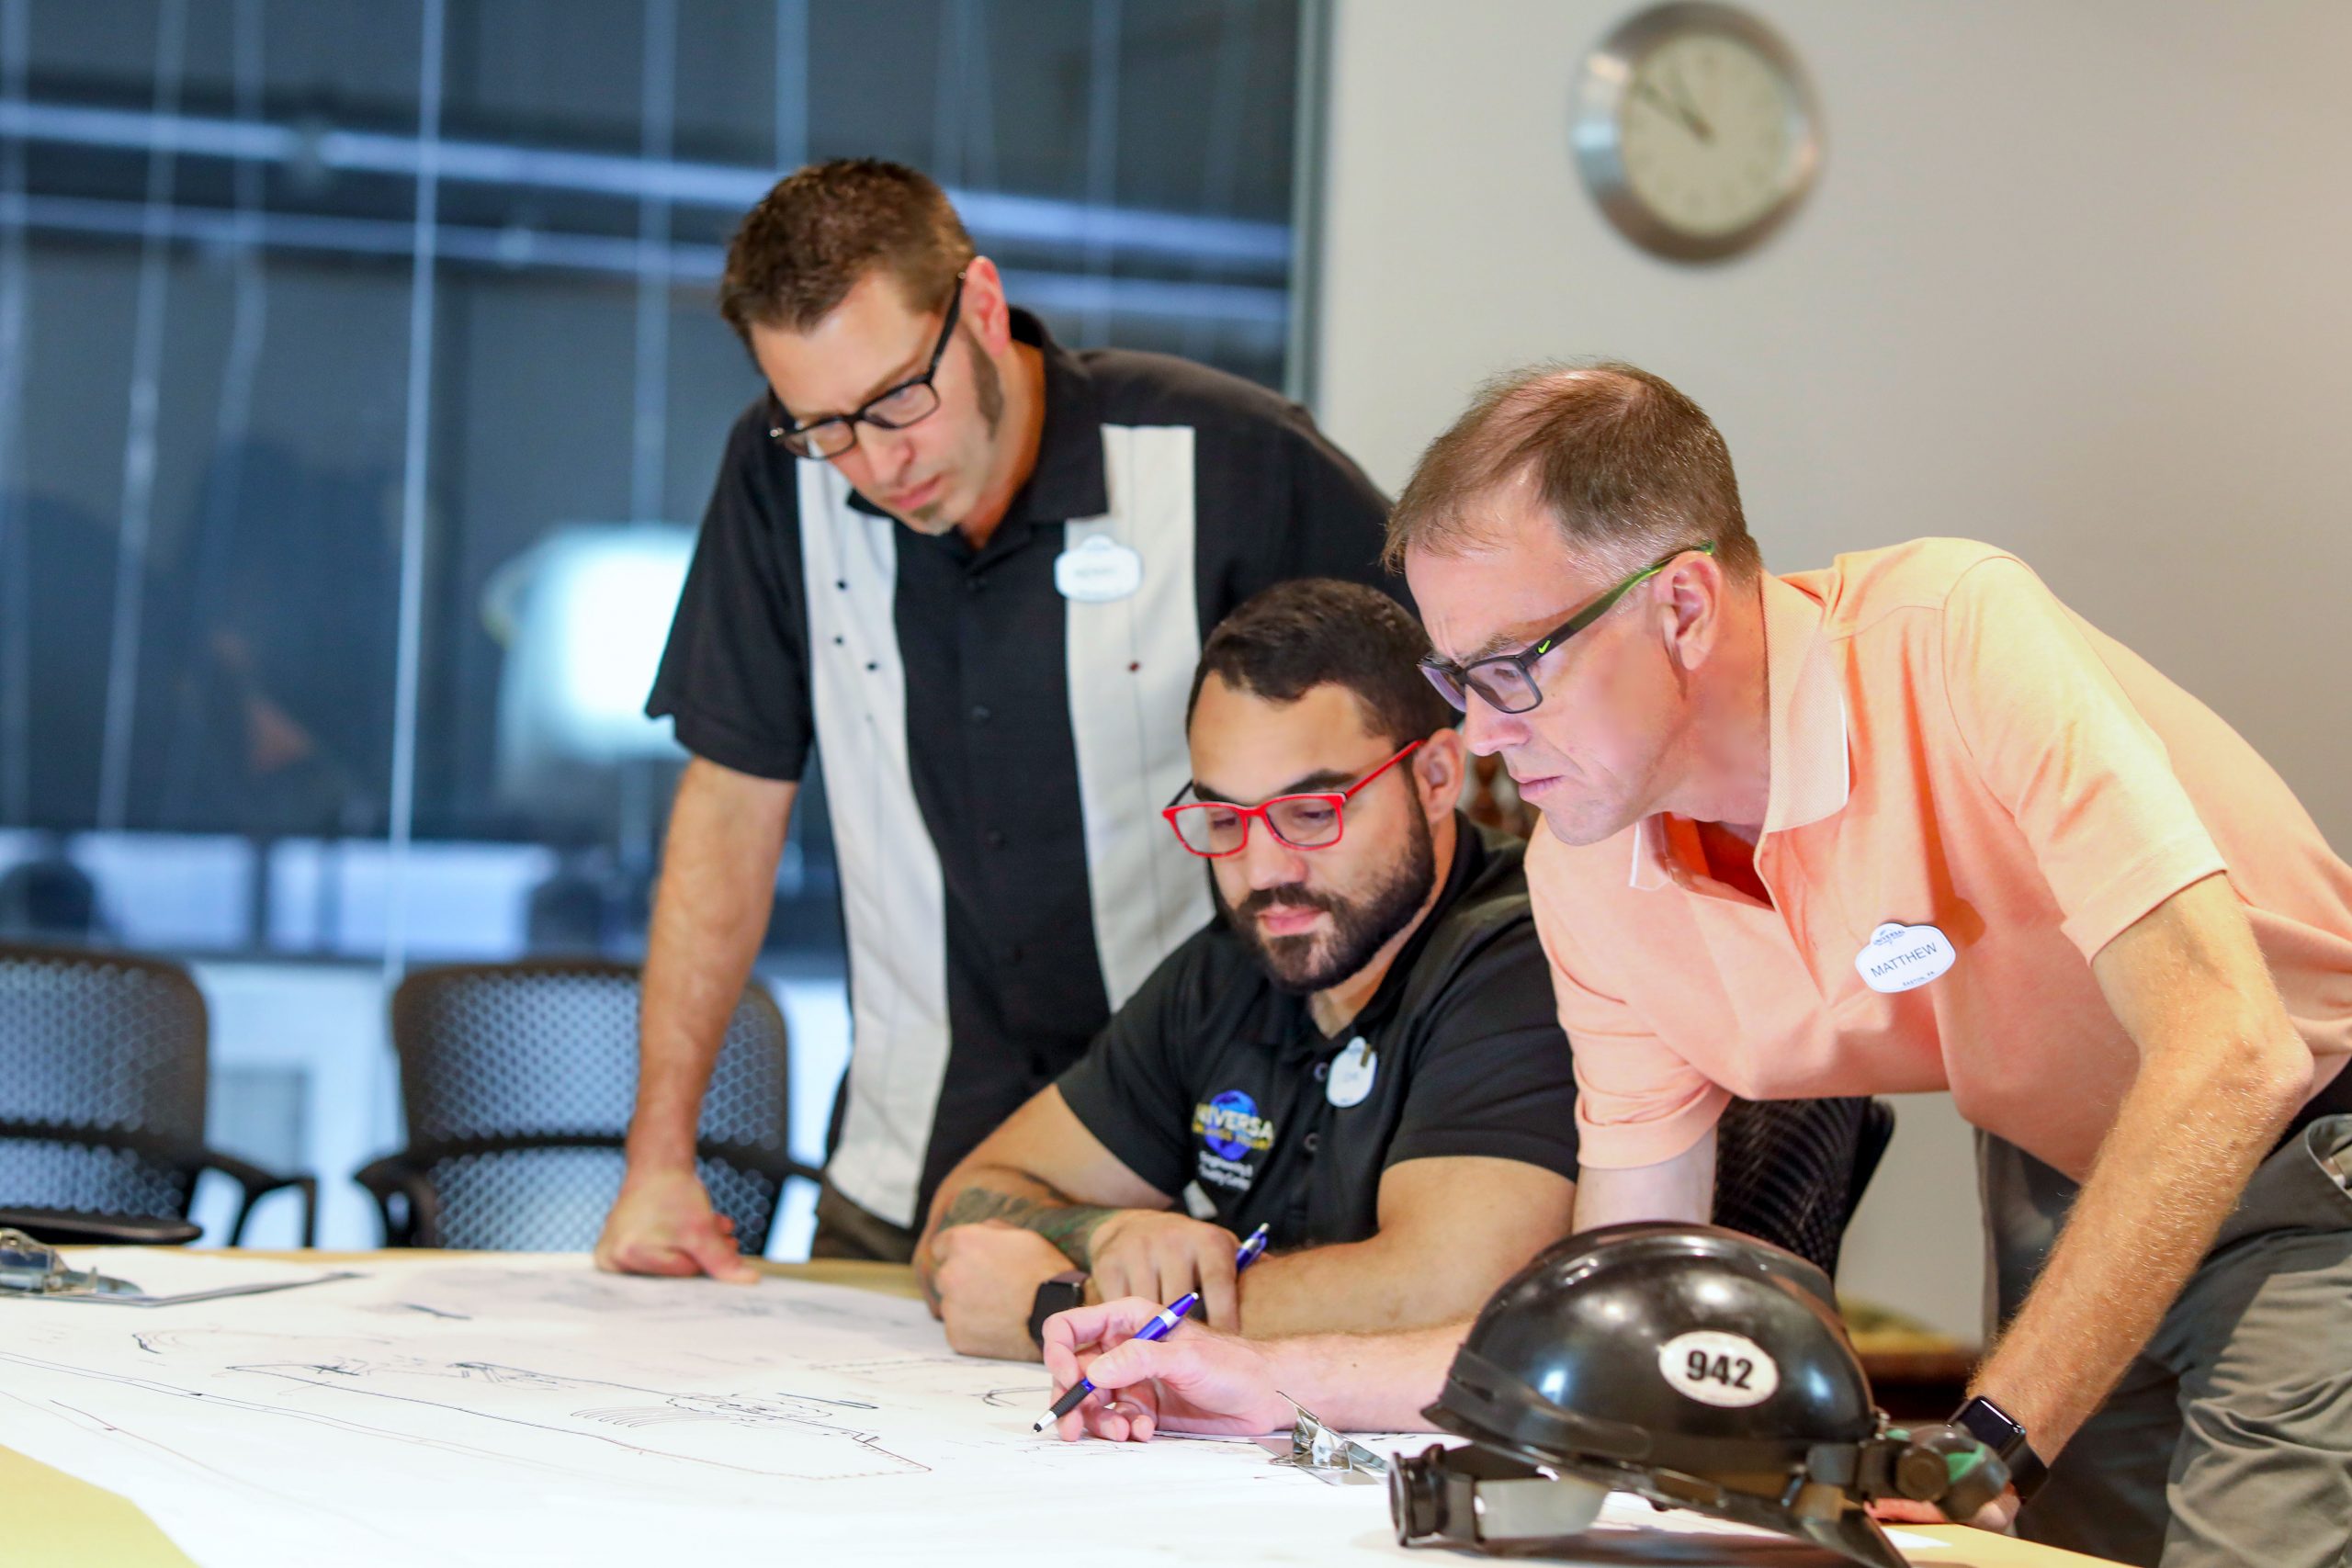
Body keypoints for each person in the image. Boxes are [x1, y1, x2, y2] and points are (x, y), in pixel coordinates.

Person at [1043, 363, 2352, 1568]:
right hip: (2080, 1170)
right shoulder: (1588, 865)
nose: (1486, 740)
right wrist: (1263, 1377)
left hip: (2308, 1138)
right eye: (1460, 680)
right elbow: (1620, 1312)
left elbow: (2234, 1048)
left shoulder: (1954, 638)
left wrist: (1990, 1434)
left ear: (1677, 602)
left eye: (1512, 670)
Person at [592, 160, 1392, 1274]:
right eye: (822, 425)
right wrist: (659, 1161)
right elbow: (730, 804)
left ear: (977, 306)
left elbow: (1425, 774)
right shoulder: (780, 485)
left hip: (1200, 1183)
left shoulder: (1234, 464)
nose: (874, 463)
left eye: (897, 402)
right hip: (907, 1178)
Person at [914, 581, 1581, 1359]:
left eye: (1311, 813)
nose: (1262, 870)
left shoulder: (1525, 951)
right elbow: (959, 1220)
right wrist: (1109, 1230)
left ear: (1435, 778)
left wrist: (1075, 1306)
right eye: (1225, 819)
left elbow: (1454, 1289)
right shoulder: (1235, 964)